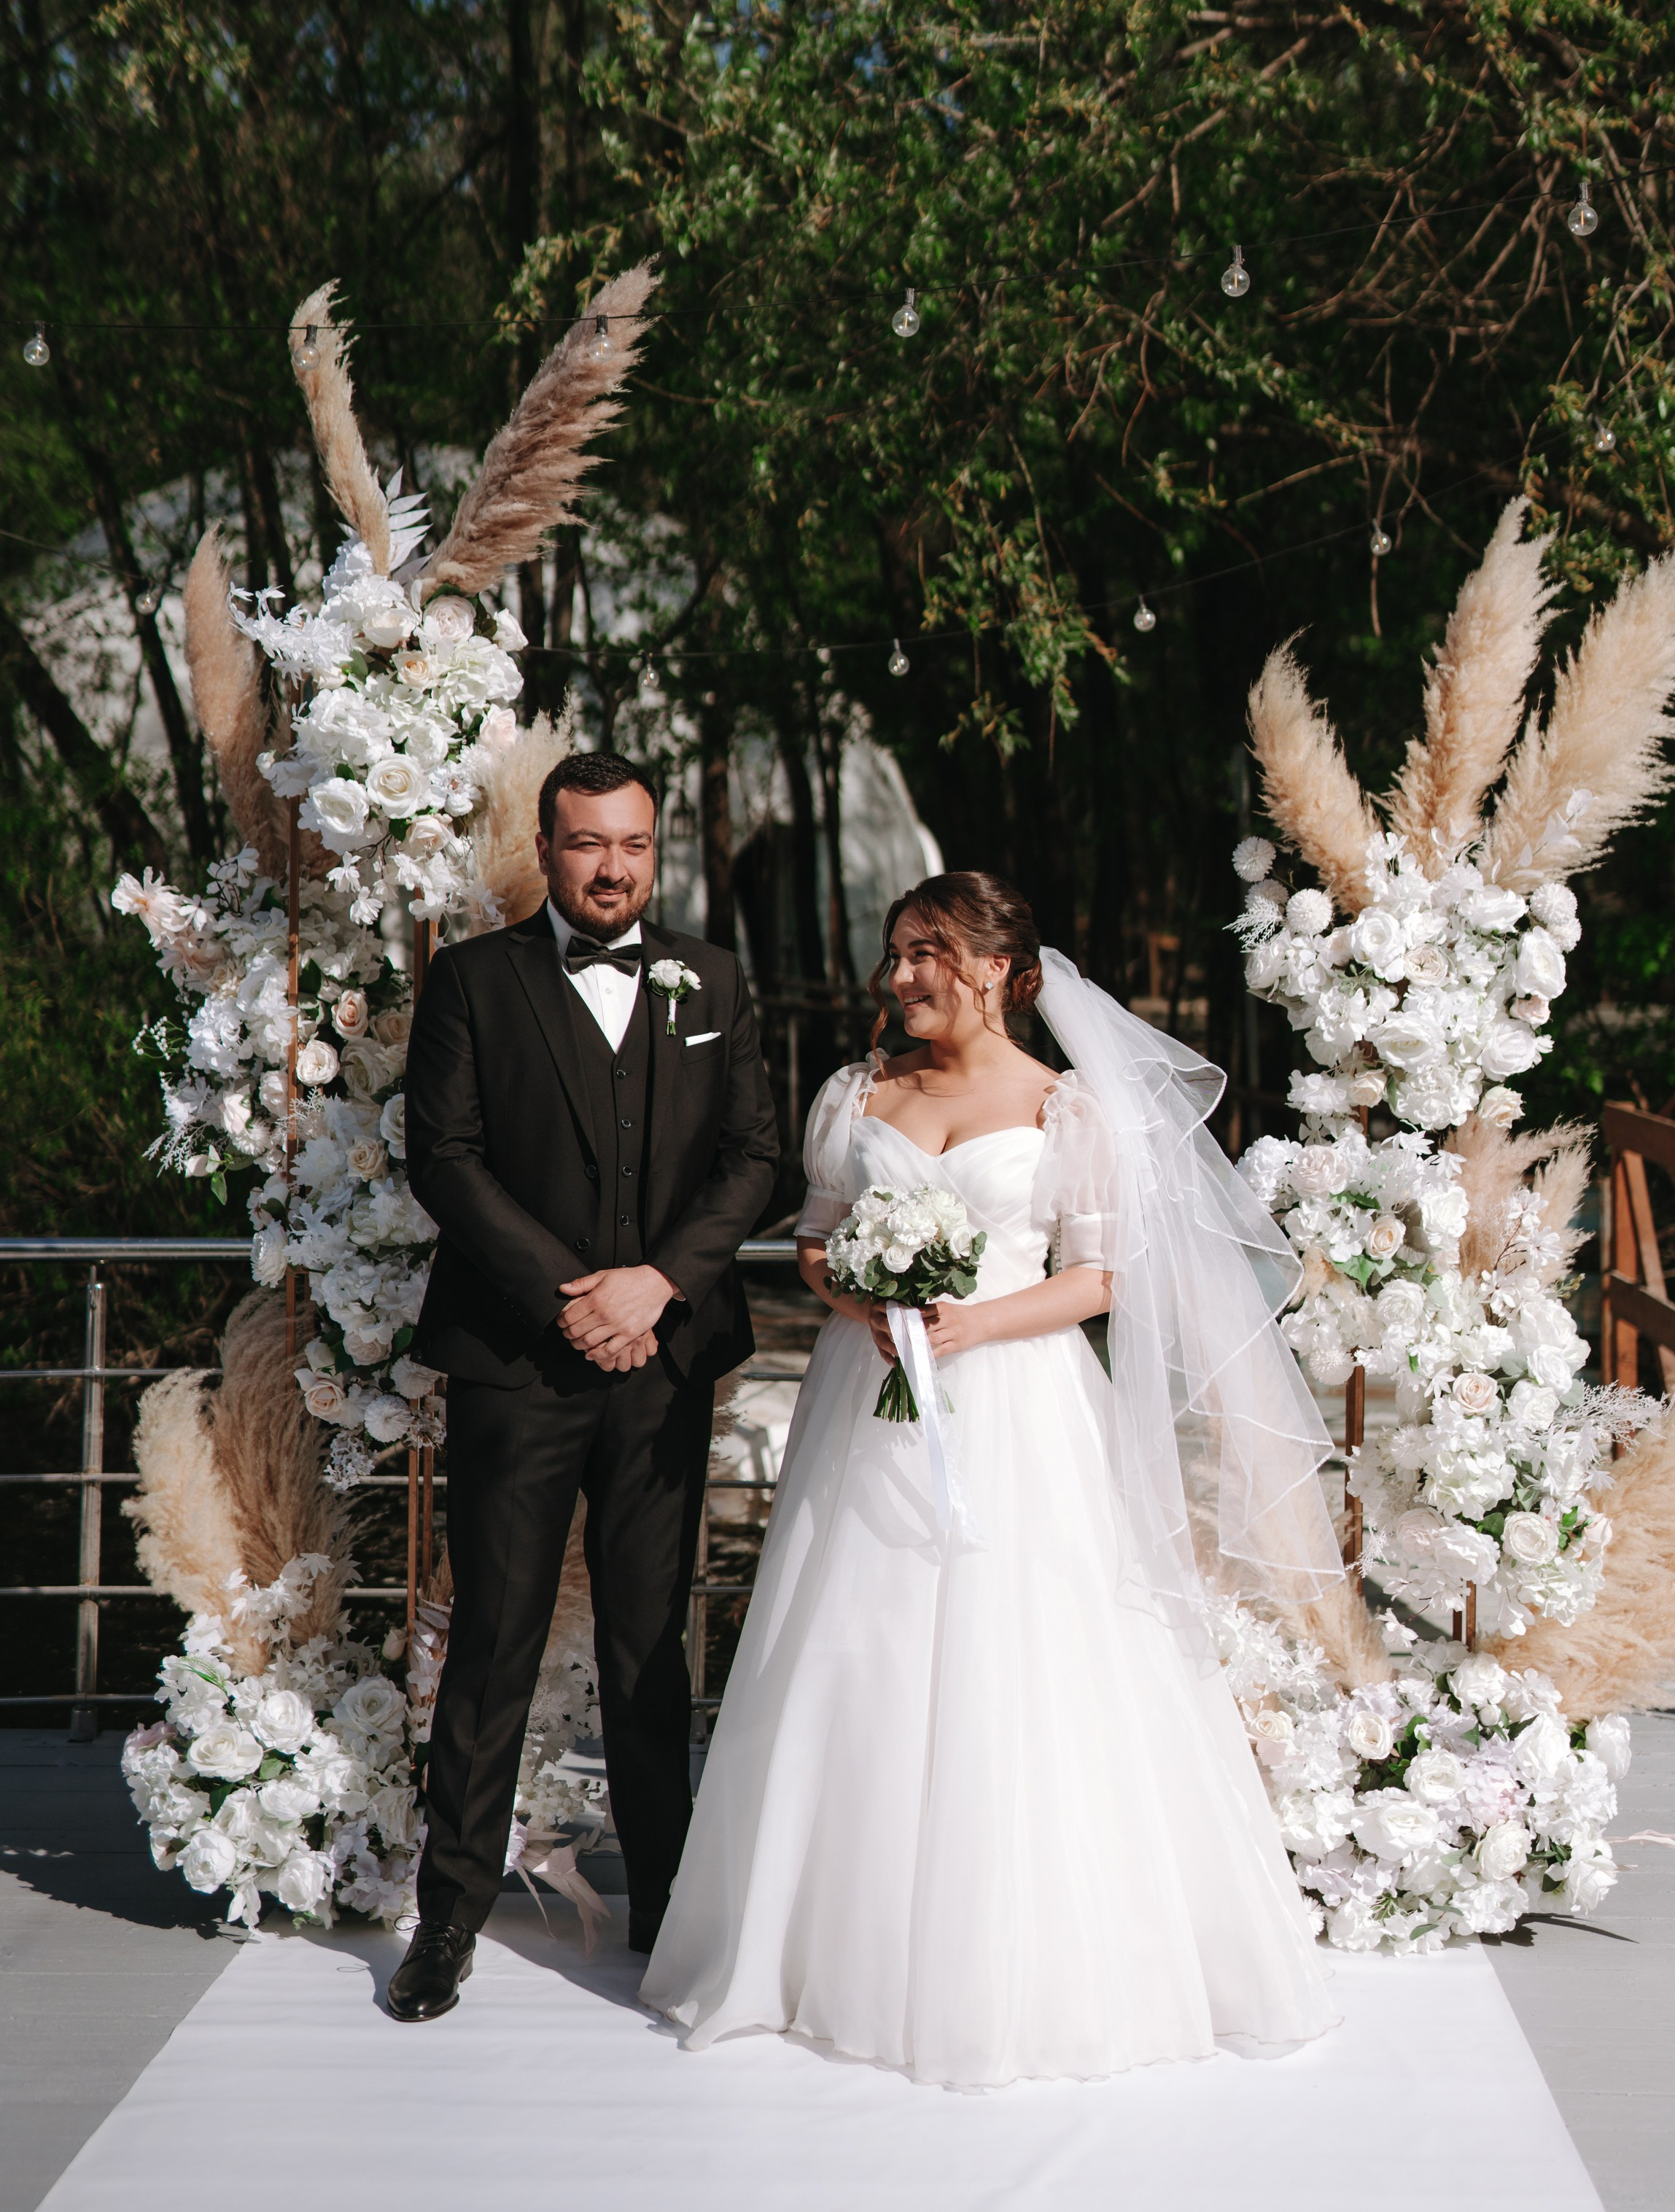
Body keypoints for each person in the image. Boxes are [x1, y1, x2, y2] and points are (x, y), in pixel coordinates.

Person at [642, 871, 1342, 2088]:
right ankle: (819, 1947)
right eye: (897, 951)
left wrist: (979, 1324)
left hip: (1022, 1407)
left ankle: (1040, 1959)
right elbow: (813, 1232)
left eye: (929, 952)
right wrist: (854, 1293)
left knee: (1034, 1658)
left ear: (1000, 971)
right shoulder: (857, 1093)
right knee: (855, 1651)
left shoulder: (1073, 1110)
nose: (902, 975)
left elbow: (1104, 1276)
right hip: (869, 1402)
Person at [386, 751, 779, 2023]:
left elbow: (753, 1156)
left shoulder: (711, 979)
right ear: (545, 848)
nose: (612, 868)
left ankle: (667, 1908)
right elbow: (442, 1160)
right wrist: (578, 1293)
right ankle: (447, 1921)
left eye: (633, 845)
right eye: (585, 844)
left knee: (648, 1645)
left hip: (663, 1367)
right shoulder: (473, 980)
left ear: (654, 850)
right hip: (518, 1366)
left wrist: (655, 1285)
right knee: (492, 1641)